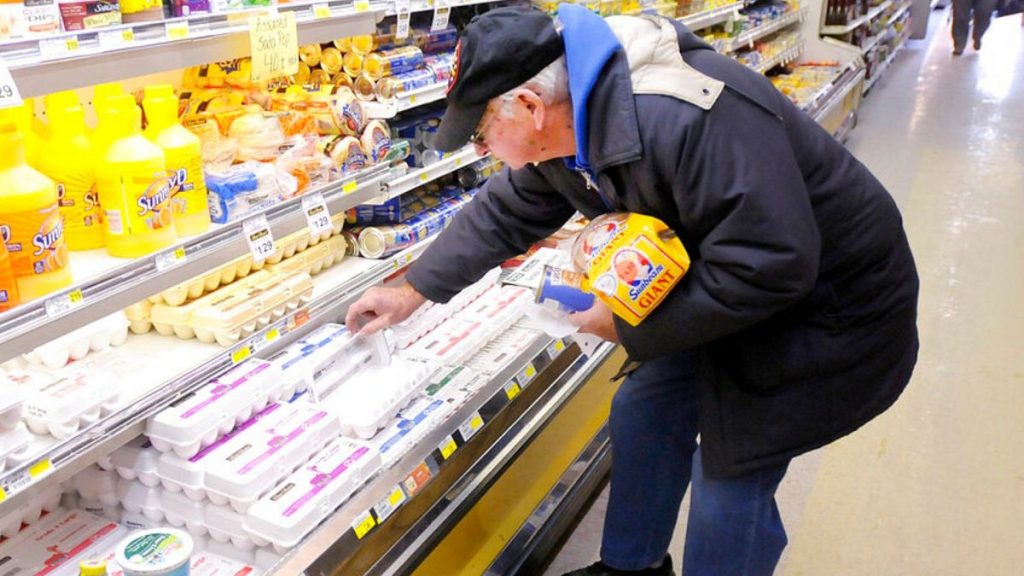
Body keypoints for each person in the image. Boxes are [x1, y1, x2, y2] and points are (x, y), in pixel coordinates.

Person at [345, 5, 919, 576]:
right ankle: (632, 567)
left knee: (729, 478)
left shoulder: (684, 115)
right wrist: (412, 288)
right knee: (642, 409)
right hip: (725, 284)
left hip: (826, 308)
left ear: (530, 106)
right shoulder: (576, 119)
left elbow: (773, 263)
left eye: (480, 132)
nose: (479, 150)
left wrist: (624, 324)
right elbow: (508, 209)